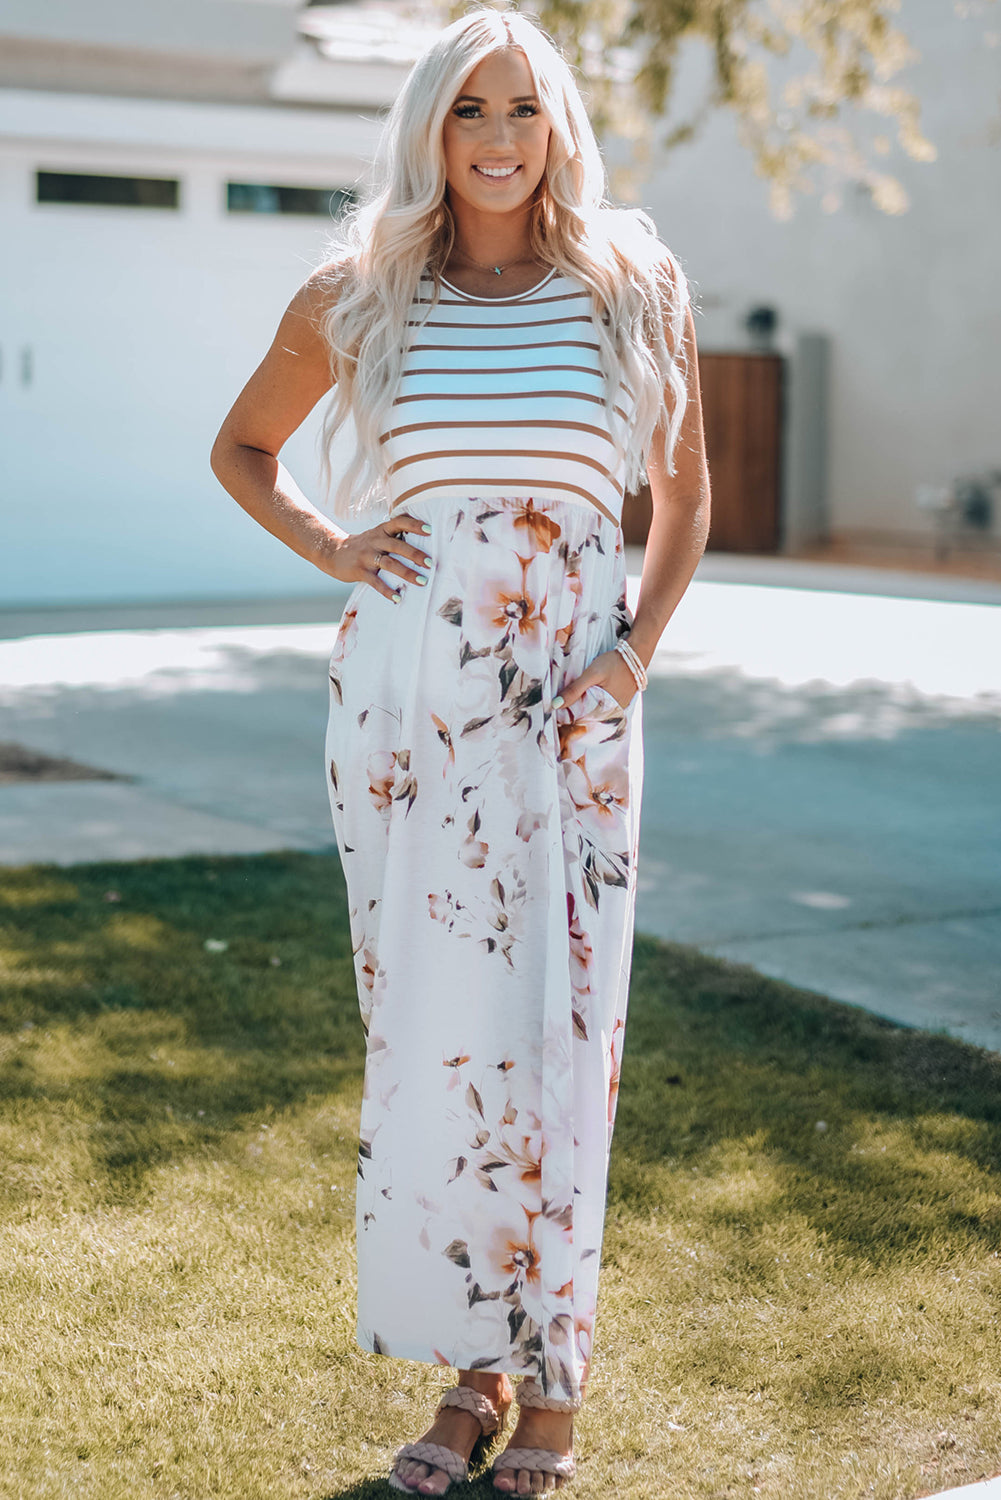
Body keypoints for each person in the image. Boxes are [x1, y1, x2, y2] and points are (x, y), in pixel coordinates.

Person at [210, 6, 710, 1493]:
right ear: (428, 130)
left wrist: (632, 656)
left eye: (523, 110)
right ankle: (466, 1380)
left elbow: (678, 502)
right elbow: (243, 447)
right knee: (434, 1042)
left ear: (558, 125)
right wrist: (331, 541)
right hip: (401, 718)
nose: (497, 139)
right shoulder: (360, 284)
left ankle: (551, 1388)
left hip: (570, 708)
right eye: (466, 112)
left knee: (560, 1043)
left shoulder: (630, 277)